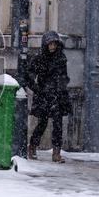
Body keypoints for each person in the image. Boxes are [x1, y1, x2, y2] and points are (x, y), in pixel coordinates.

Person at [27, 30, 70, 163]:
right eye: (50, 44)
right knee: (43, 123)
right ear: (45, 45)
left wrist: (62, 85)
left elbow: (64, 76)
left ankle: (56, 153)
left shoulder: (61, 58)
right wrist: (37, 89)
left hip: (57, 94)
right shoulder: (39, 58)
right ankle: (32, 147)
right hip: (44, 95)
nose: (52, 46)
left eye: (54, 44)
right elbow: (29, 75)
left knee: (58, 124)